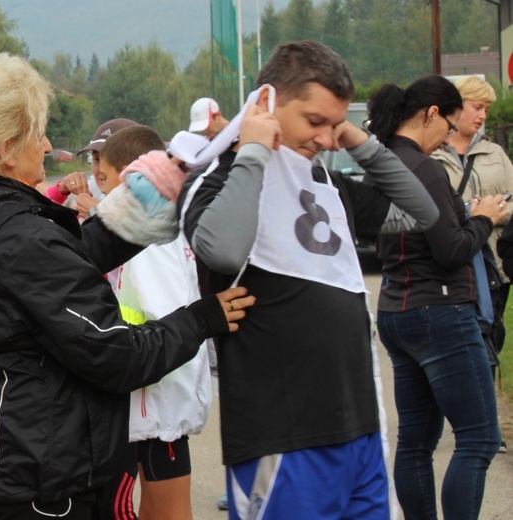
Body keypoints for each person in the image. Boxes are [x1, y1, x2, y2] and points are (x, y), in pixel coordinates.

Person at [0, 52, 255, 520]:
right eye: (39, 133)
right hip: (43, 476)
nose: (49, 144)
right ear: (7, 147)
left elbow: (70, 259)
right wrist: (203, 318)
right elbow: (118, 356)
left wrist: (162, 179)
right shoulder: (20, 241)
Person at [173, 40, 441, 519]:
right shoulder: (216, 176)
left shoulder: (327, 183)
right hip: (284, 434)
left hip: (358, 428)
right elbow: (222, 250)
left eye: (333, 123)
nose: (324, 137)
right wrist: (254, 147)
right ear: (267, 103)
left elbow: (422, 212)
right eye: (314, 121)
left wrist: (360, 142)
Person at [367, 75, 505, 520]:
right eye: (448, 126)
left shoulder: (385, 160)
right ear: (430, 114)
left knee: (416, 443)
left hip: (396, 308)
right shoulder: (425, 168)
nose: (449, 137)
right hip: (440, 309)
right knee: (480, 436)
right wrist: (482, 218)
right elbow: (451, 250)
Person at [99, 125, 210, 520]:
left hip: (152, 404)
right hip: (149, 400)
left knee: (166, 511)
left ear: (134, 174)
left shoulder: (147, 238)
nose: (99, 184)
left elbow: (171, 312)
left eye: (105, 176)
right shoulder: (156, 227)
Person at [432, 76, 513, 454]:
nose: (482, 115)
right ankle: (471, 421)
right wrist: (472, 215)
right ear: (455, 105)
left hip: (493, 264)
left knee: (492, 334)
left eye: (487, 109)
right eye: (477, 107)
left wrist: (495, 213)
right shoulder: (432, 155)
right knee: (467, 337)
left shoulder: (497, 154)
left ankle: (483, 421)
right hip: (454, 265)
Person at [45, 119, 138, 218]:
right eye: (97, 159)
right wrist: (60, 190)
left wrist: (96, 213)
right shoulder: (90, 191)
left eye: (111, 160)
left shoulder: (150, 204)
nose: (102, 169)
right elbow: (38, 223)